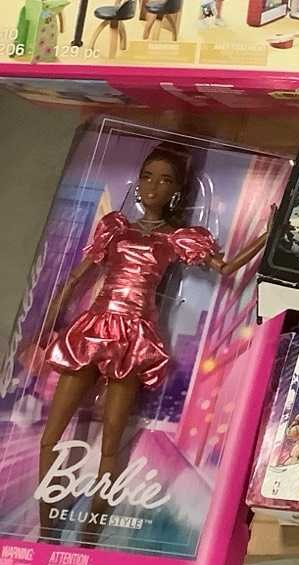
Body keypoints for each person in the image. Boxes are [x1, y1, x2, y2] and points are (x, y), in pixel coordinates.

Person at [33, 143, 267, 542]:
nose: (152, 187)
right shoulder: (115, 227)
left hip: (134, 335)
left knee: (111, 444)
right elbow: (76, 276)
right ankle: (47, 529)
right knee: (51, 435)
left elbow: (226, 267)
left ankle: (90, 533)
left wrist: (267, 232)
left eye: (165, 180)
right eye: (146, 177)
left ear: (176, 191)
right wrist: (51, 317)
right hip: (93, 328)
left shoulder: (176, 238)